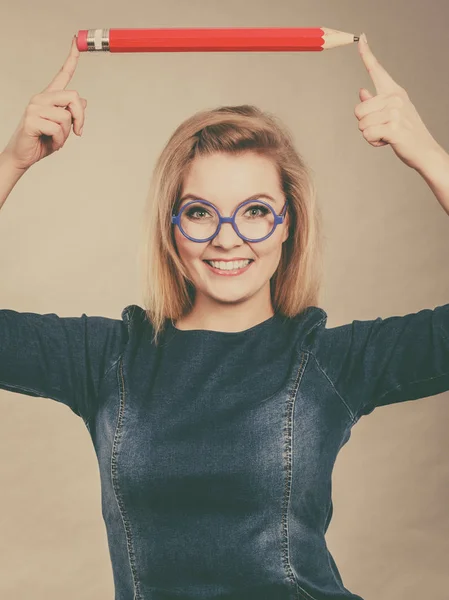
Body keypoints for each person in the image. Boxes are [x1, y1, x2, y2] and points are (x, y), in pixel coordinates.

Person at [0, 33, 448, 600]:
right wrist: (13, 159)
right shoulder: (106, 359)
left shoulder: (329, 361)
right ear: (170, 228)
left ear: (289, 224)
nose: (227, 238)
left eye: (256, 211)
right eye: (200, 213)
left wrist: (429, 154)